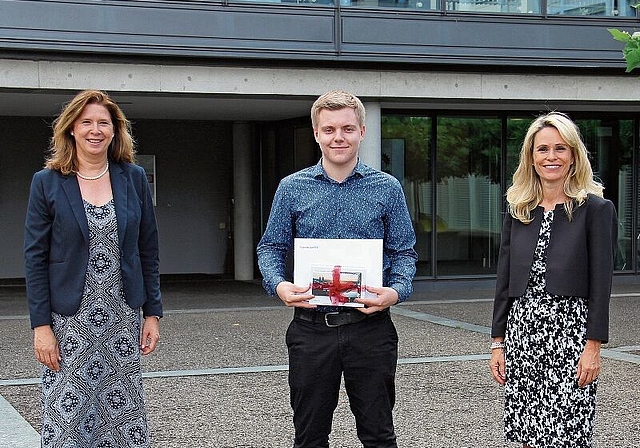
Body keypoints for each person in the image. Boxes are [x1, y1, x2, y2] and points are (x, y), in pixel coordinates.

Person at [256, 90, 417, 448]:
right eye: (329, 129)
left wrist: (396, 291)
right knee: (310, 435)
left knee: (378, 434)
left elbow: (404, 252)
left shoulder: (387, 189)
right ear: (316, 133)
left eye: (347, 128)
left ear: (362, 131)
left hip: (371, 329)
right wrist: (279, 285)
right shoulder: (291, 188)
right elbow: (271, 248)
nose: (338, 137)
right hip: (311, 331)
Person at [24, 89, 162, 447]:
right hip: (69, 319)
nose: (95, 130)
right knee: (68, 413)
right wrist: (41, 327)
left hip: (121, 314)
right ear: (71, 128)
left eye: (103, 122)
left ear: (115, 130)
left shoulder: (133, 178)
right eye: (86, 122)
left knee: (121, 412)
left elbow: (148, 248)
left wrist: (152, 313)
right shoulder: (48, 182)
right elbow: (35, 258)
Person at [489, 112, 618, 448]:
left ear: (573, 155)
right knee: (529, 434)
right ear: (531, 158)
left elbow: (601, 285)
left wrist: (593, 347)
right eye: (542, 149)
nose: (551, 157)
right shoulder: (519, 209)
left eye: (560, 148)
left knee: (568, 435)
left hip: (570, 339)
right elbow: (504, 281)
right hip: (523, 337)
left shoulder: (596, 209)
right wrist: (497, 342)